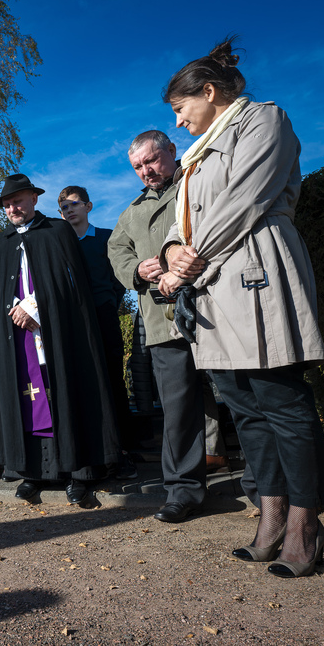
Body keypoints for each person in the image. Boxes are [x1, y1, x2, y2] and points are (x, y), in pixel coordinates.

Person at [157, 38, 324, 577]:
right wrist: (168, 252)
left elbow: (245, 200)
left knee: (281, 399)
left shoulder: (262, 120)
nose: (179, 122)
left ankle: (306, 522)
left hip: (254, 270)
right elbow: (176, 224)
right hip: (211, 286)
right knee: (246, 410)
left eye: (180, 109)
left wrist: (185, 262)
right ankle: (272, 514)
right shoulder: (193, 158)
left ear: (208, 92)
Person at [0, 174, 120, 504]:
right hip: (20, 340)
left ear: (33, 199)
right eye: (7, 203)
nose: (12, 207)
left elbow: (72, 285)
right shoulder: (0, 243)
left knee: (65, 396)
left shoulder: (57, 232)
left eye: (18, 200)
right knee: (30, 401)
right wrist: (12, 310)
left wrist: (35, 308)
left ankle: (79, 472)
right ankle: (36, 473)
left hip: (56, 332)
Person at [107, 130, 212, 523]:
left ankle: (264, 484)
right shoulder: (131, 212)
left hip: (213, 308)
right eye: (137, 167)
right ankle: (183, 490)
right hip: (162, 319)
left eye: (151, 161)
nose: (146, 171)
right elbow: (116, 250)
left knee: (242, 395)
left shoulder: (198, 179)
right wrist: (135, 269)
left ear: (171, 150)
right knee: (178, 407)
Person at [58, 186, 138, 480]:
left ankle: (124, 450)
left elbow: (119, 278)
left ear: (88, 206)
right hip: (74, 322)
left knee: (113, 381)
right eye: (63, 207)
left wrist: (109, 302)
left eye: (74, 205)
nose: (69, 211)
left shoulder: (106, 238)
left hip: (103, 315)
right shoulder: (60, 243)